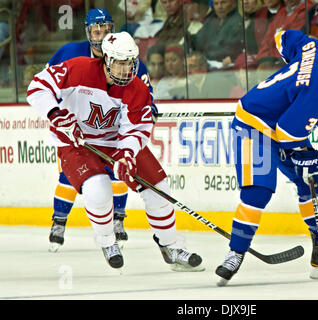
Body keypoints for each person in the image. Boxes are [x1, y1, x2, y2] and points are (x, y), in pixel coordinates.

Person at [27, 31, 205, 271]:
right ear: (107, 60)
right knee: (97, 188)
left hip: (115, 143)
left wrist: (127, 153)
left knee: (159, 188)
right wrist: (55, 113)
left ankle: (171, 246)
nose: (125, 70)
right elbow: (37, 87)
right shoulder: (78, 68)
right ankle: (107, 241)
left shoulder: (138, 89)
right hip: (77, 143)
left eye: (130, 63)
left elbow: (137, 129)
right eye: (120, 63)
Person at [215, 29, 318, 285]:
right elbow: (288, 133)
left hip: (278, 124)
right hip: (253, 125)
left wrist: (296, 78)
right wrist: (305, 159)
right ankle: (235, 253)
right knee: (258, 190)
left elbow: (282, 36)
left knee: (313, 181)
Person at [46, 8, 157, 252]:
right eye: (96, 30)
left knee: (118, 170)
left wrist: (151, 108)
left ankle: (117, 219)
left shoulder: (126, 55)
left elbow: (145, 97)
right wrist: (57, 113)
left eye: (106, 29)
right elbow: (47, 86)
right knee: (69, 177)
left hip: (112, 128)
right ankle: (59, 221)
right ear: (88, 31)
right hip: (75, 129)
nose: (101, 34)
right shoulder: (68, 53)